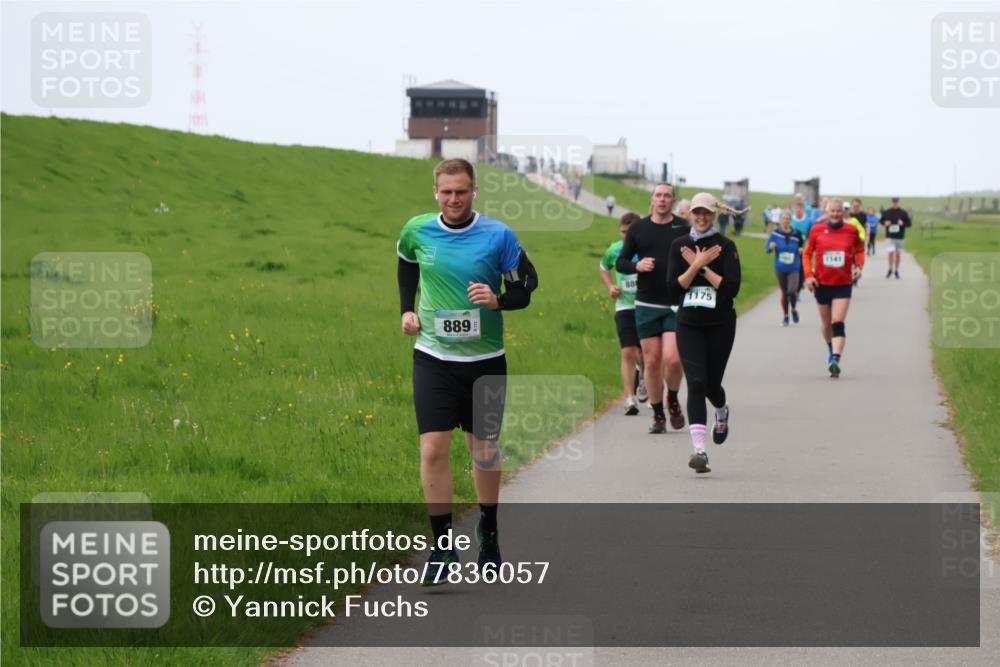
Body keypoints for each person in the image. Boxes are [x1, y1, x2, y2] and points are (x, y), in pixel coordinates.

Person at [397, 158, 538, 584]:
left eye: (461, 191)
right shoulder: (417, 229)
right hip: (433, 358)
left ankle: (489, 530)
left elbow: (526, 287)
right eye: (446, 191)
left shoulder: (498, 235)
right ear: (436, 192)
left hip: (485, 362)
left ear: (474, 191)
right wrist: (407, 308)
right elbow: (406, 263)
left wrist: (498, 300)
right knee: (433, 449)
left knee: (484, 451)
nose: (454, 199)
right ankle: (441, 548)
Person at [666, 193, 741, 474]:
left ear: (715, 214)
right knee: (696, 383)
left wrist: (704, 268)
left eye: (707, 213)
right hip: (689, 323)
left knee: (711, 385)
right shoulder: (679, 246)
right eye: (697, 212)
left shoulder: (726, 246)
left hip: (720, 324)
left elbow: (731, 289)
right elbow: (673, 290)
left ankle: (721, 411)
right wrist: (694, 265)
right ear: (690, 215)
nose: (701, 217)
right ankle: (700, 451)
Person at [617, 183, 689, 433]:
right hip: (646, 303)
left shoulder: (682, 227)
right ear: (652, 200)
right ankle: (658, 414)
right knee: (652, 360)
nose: (662, 199)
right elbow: (621, 262)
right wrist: (637, 266)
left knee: (674, 359)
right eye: (658, 195)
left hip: (674, 303)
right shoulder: (639, 228)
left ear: (673, 200)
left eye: (667, 196)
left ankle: (673, 397)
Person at [802, 198, 865, 378]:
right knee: (826, 324)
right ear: (827, 212)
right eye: (832, 211)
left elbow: (860, 249)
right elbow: (807, 254)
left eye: (838, 211)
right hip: (821, 283)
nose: (836, 214)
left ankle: (835, 359)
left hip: (843, 283)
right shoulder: (817, 229)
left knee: (838, 322)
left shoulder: (851, 230)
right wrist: (809, 275)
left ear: (843, 212)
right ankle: (831, 349)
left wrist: (859, 267)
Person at [600, 212, 646, 415]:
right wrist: (610, 286)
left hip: (646, 305)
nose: (625, 236)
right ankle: (629, 398)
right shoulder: (615, 249)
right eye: (622, 232)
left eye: (630, 232)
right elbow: (603, 267)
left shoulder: (647, 249)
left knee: (645, 353)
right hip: (624, 306)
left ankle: (644, 377)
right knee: (628, 351)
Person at [766, 210, 804, 325]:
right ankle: (786, 316)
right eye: (783, 218)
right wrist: (771, 247)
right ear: (780, 220)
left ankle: (793, 309)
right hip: (780, 267)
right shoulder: (775, 234)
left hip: (794, 267)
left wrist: (801, 250)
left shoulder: (797, 233)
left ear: (790, 220)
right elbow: (767, 249)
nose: (785, 220)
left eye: (787, 218)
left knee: (792, 291)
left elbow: (802, 246)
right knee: (784, 293)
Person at [880, 197, 911, 279]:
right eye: (893, 202)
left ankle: (896, 270)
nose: (895, 203)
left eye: (896, 202)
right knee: (890, 252)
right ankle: (890, 268)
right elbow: (881, 221)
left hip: (900, 236)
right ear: (891, 202)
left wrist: (903, 223)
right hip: (890, 236)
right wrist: (885, 223)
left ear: (899, 202)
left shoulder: (903, 213)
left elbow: (909, 224)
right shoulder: (887, 212)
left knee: (897, 254)